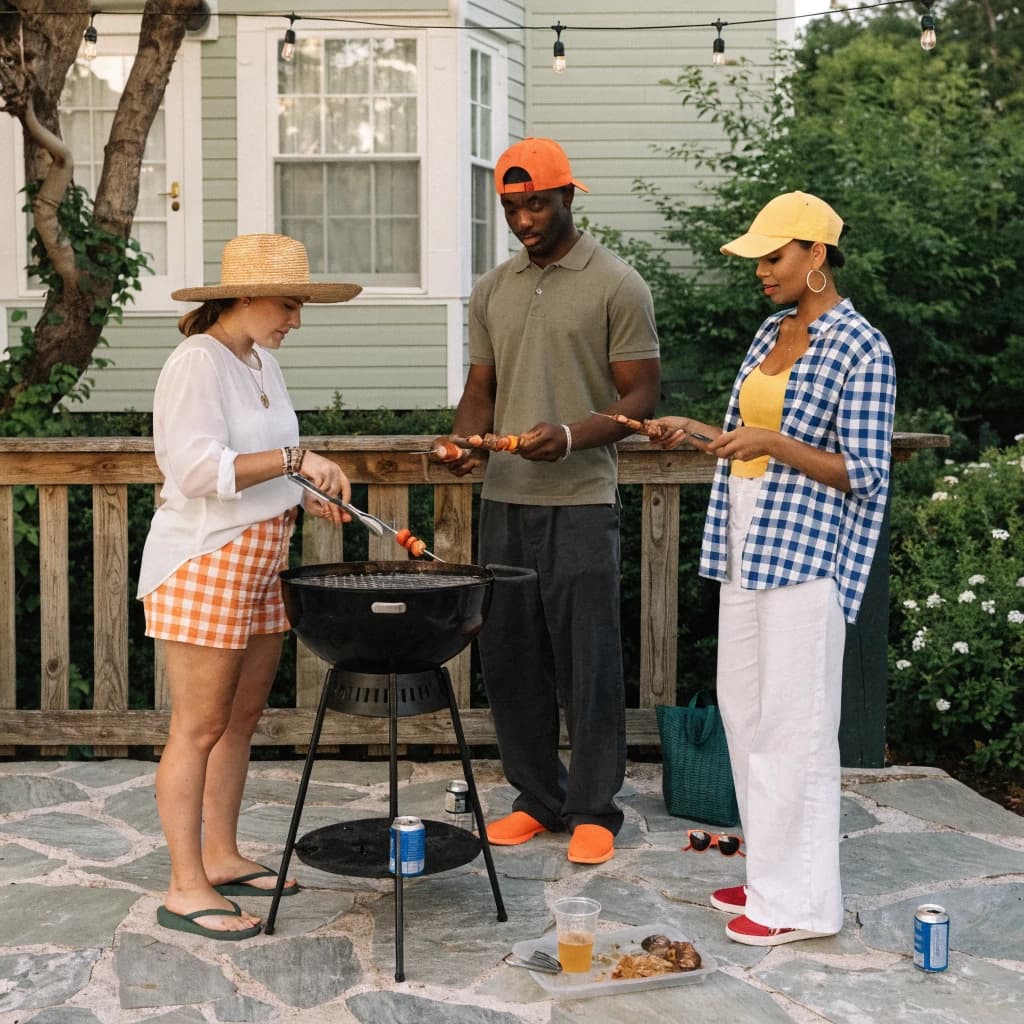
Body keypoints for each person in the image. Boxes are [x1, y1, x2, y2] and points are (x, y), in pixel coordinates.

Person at [649, 192, 896, 945]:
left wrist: (775, 442)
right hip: (745, 543)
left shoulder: (863, 348)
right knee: (747, 716)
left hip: (808, 554)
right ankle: (769, 878)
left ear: (816, 254)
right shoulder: (770, 331)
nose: (761, 270)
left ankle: (802, 907)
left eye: (774, 256)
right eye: (756, 258)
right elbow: (744, 437)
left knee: (797, 729)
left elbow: (864, 473)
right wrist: (698, 431)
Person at [438, 138, 661, 865]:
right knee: (510, 657)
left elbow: (641, 397)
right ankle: (537, 798)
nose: (523, 220)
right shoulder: (492, 289)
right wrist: (463, 444)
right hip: (505, 499)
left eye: (536, 204)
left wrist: (569, 437)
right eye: (511, 208)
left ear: (568, 196)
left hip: (582, 501)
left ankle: (594, 807)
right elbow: (481, 390)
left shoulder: (617, 284)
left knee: (587, 659)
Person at [137, 233, 361, 939]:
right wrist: (297, 458)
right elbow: (196, 470)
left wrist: (304, 490)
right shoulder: (196, 361)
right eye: (288, 305)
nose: (295, 319)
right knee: (197, 728)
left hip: (264, 555)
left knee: (239, 722)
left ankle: (221, 856)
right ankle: (185, 887)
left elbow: (262, 462)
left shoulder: (260, 360)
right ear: (243, 296)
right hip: (208, 559)